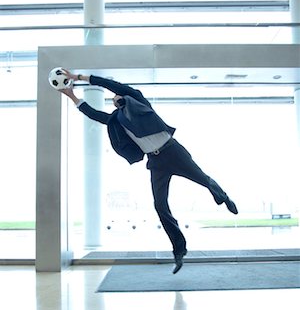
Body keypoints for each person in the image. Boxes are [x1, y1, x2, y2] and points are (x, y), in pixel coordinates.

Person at [59, 70, 238, 274]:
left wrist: (79, 78)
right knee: (160, 205)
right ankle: (179, 251)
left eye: (117, 94)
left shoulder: (138, 101)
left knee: (202, 179)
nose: (115, 96)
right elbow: (94, 114)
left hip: (173, 151)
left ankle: (223, 197)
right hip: (156, 161)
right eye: (113, 98)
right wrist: (72, 96)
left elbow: (115, 86)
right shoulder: (116, 120)